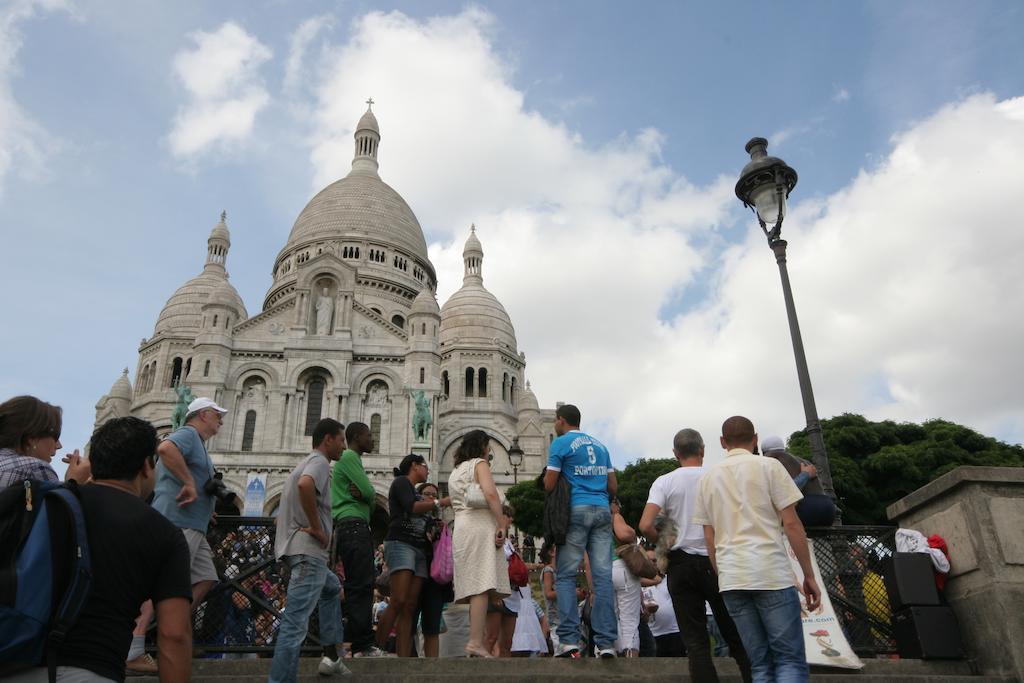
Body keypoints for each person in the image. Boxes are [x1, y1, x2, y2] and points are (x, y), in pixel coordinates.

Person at [6, 416, 192, 683]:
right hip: (91, 671)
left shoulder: (45, 502)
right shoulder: (164, 533)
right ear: (146, 467)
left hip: (13, 658)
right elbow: (174, 634)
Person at [693, 416, 821, 683]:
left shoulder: (708, 479)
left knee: (760, 665)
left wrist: (723, 574)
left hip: (732, 578)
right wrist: (808, 575)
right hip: (771, 572)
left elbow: (709, 536)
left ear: (722, 442)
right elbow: (792, 524)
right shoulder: (769, 466)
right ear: (755, 439)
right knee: (789, 661)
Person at [638, 428, 752, 682]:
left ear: (675, 453)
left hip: (680, 564)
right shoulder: (718, 476)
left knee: (696, 642)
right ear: (702, 450)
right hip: (719, 560)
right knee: (735, 634)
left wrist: (665, 542)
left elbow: (645, 525)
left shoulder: (665, 481)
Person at [268, 418, 350, 682]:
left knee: (332, 588)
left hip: (297, 551)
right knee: (294, 624)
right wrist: (317, 528)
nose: (344, 446)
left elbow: (287, 504)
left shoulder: (301, 463)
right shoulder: (319, 463)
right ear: (328, 439)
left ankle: (332, 657)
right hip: (309, 553)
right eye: (341, 439)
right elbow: (306, 485)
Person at [542, 404, 618, 659]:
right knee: (602, 578)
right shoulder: (600, 445)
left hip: (575, 511)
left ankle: (569, 641)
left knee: (565, 576)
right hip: (601, 512)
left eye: (555, 420)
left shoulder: (561, 444)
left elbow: (550, 484)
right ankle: (606, 643)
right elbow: (612, 484)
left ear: (561, 421)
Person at [150, 397, 227, 610]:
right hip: (180, 522)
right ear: (203, 414)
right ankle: (139, 635)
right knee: (167, 581)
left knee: (207, 577)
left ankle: (171, 620)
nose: (221, 421)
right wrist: (188, 482)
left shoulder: (199, 445)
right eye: (217, 415)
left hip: (196, 524)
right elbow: (165, 448)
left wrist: (208, 507)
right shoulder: (189, 433)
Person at [376, 454, 450, 657]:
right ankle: (375, 648)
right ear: (414, 466)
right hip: (401, 544)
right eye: (424, 466)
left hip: (418, 549)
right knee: (398, 600)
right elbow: (411, 507)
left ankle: (402, 657)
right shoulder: (401, 482)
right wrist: (440, 502)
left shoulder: (415, 492)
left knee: (409, 605)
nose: (427, 470)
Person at [447, 429, 510, 658]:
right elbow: (491, 495)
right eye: (488, 446)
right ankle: (475, 642)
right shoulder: (479, 464)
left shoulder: (455, 472)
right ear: (482, 445)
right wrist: (502, 523)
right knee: (482, 584)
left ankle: (476, 641)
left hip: (462, 528)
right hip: (479, 528)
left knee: (476, 587)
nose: (489, 450)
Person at [330, 422, 386, 657]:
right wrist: (367, 496)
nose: (373, 439)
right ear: (356, 437)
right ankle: (363, 644)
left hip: (350, 525)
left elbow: (367, 496)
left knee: (359, 586)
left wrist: (366, 496)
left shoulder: (352, 459)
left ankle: (360, 643)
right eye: (368, 435)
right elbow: (369, 493)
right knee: (361, 586)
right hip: (354, 526)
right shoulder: (350, 457)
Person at [0, 395, 91, 488]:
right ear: (32, 438)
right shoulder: (35, 468)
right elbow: (58, 502)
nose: (59, 445)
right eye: (55, 436)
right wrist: (74, 482)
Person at [411, 481, 453, 658]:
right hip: (413, 575)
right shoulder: (409, 519)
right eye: (427, 494)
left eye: (435, 495)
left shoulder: (441, 525)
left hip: (434, 580)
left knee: (432, 627)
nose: (431, 497)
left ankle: (431, 667)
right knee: (409, 623)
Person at [760, 435, 836, 527]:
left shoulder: (772, 461)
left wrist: (805, 475)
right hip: (828, 508)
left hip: (807, 507)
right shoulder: (803, 461)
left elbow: (787, 492)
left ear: (764, 452)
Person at [610, 498, 642, 657]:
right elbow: (624, 534)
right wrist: (633, 532)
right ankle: (631, 660)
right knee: (629, 620)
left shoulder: (592, 521)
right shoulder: (614, 516)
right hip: (621, 569)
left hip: (603, 571)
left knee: (611, 619)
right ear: (614, 503)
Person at [539, 542, 559, 650]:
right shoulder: (548, 570)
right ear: (551, 553)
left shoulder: (559, 570)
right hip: (555, 616)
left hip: (562, 614)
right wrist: (569, 591)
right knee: (559, 646)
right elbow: (548, 593)